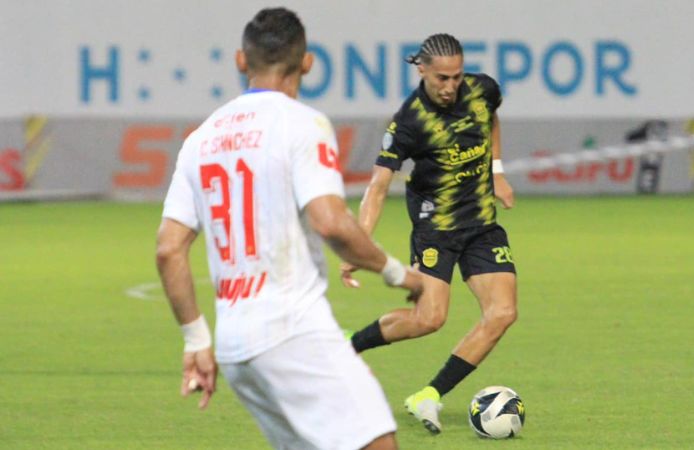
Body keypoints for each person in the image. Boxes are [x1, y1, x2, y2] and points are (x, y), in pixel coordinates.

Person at [155, 8, 422, 450]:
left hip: (236, 346)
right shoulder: (303, 124)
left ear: (242, 61)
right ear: (308, 62)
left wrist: (195, 338)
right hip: (292, 329)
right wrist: (399, 273)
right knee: (377, 442)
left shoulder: (200, 139)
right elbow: (331, 223)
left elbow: (168, 250)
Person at [341, 33, 518, 435]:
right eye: (442, 78)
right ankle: (348, 344)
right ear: (421, 70)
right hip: (436, 229)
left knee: (503, 312)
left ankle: (429, 395)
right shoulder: (409, 122)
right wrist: (359, 243)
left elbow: (491, 117)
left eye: (456, 77)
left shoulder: (482, 89)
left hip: (482, 225)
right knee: (430, 319)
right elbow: (378, 186)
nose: (450, 86)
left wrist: (498, 171)